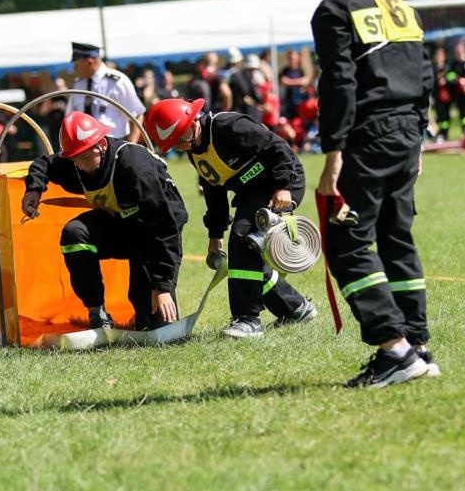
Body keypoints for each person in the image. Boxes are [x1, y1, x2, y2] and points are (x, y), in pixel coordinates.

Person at [309, 0, 436, 388]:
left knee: (346, 242)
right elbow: (424, 73)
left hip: (368, 136)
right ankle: (418, 346)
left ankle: (394, 349)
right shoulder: (400, 4)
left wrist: (334, 153)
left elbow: (339, 83)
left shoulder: (335, 8)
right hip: (407, 133)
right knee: (396, 236)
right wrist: (419, 135)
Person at [143, 97, 317, 339]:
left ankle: (248, 320)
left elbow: (277, 147)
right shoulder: (196, 151)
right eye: (175, 143)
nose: (181, 147)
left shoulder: (229, 127)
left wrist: (282, 186)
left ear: (193, 122)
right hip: (252, 192)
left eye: (181, 138)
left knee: (243, 236)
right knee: (246, 249)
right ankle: (295, 308)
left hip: (281, 183)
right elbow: (214, 193)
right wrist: (215, 236)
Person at [20, 111, 187, 331]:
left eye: (85, 157)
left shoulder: (135, 168)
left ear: (102, 145)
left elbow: (165, 229)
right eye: (75, 159)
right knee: (74, 233)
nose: (80, 165)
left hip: (153, 230)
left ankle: (151, 313)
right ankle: (97, 313)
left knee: (156, 327)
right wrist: (34, 189)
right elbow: (44, 163)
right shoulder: (77, 161)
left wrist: (163, 285)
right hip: (120, 225)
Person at [66, 42, 145, 141]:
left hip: (114, 144)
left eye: (76, 64)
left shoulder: (117, 82)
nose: (74, 68)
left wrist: (131, 148)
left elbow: (137, 115)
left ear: (89, 62)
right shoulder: (78, 84)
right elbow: (69, 118)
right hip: (85, 146)